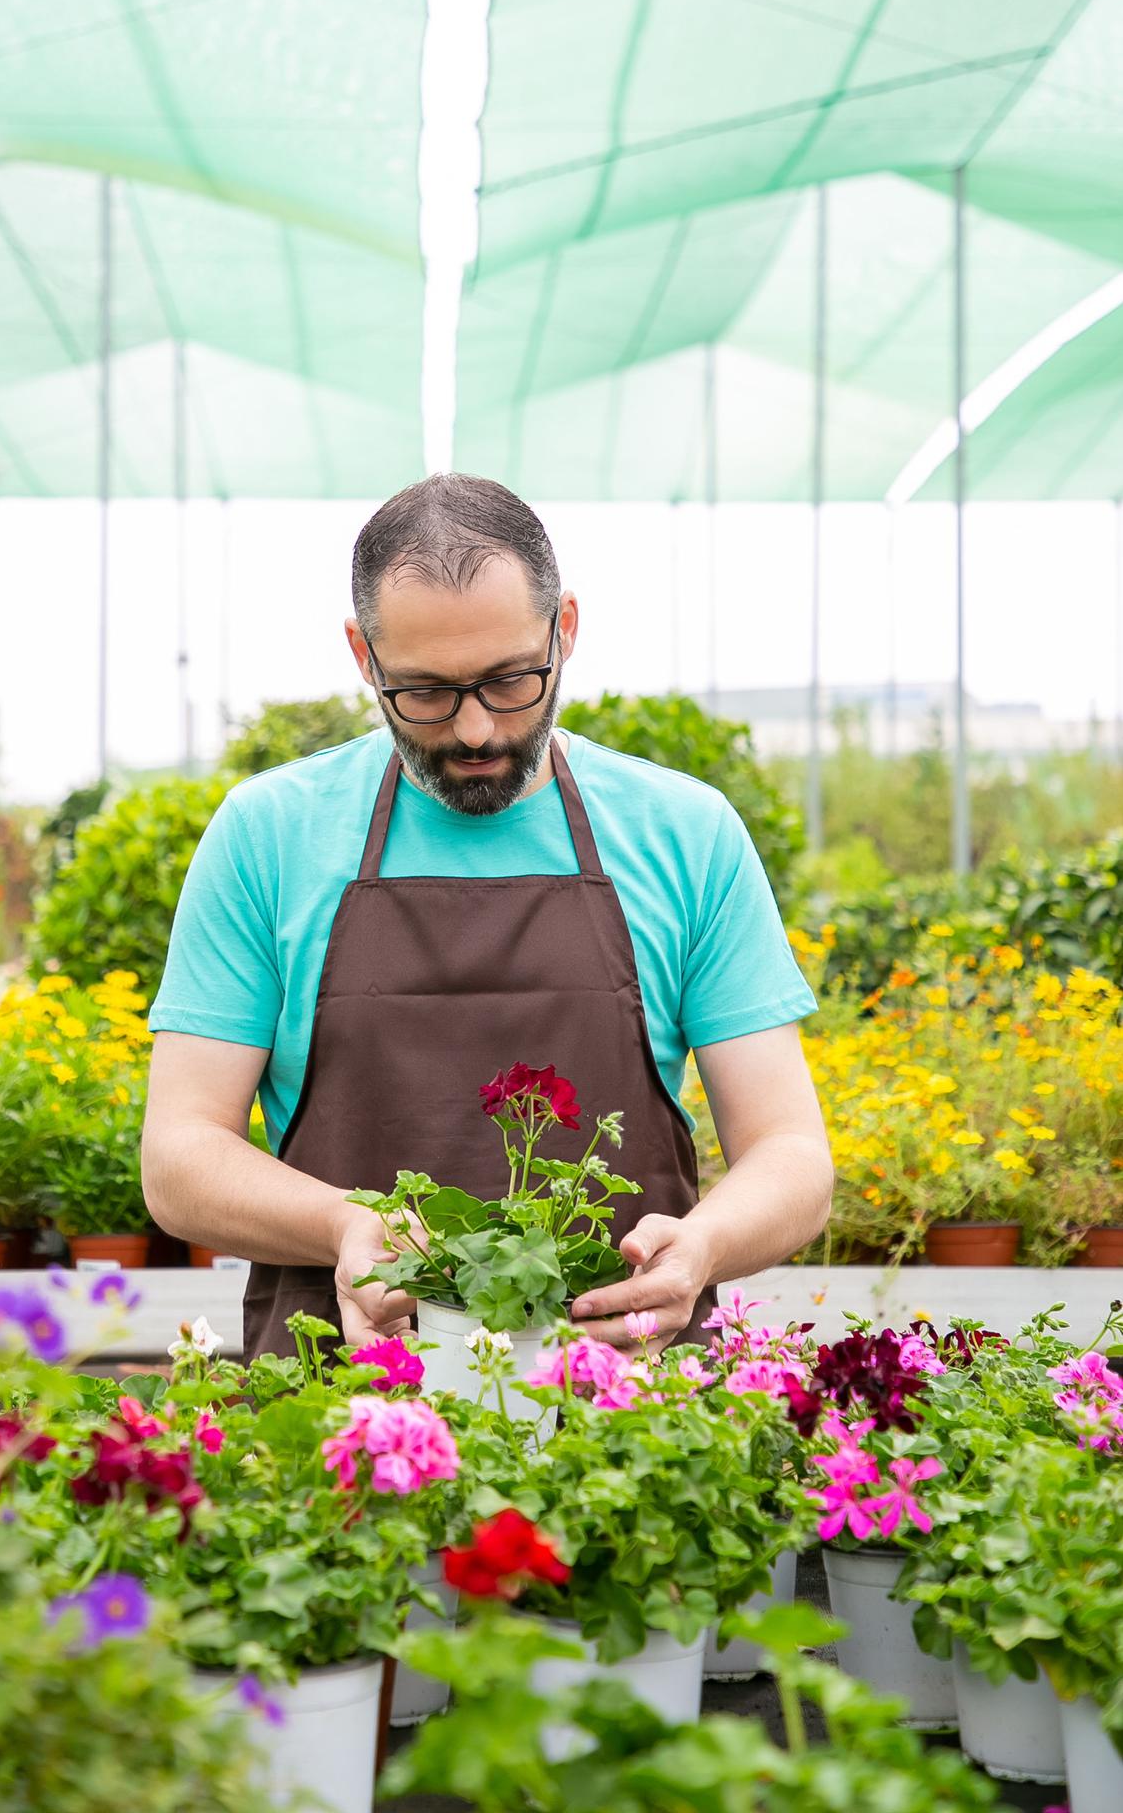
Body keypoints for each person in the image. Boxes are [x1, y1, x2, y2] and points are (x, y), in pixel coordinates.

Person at [141, 473, 832, 1357]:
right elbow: (179, 1157)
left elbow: (790, 1155)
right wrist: (344, 1225)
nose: (474, 731)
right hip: (338, 1396)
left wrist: (705, 1245)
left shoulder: (684, 833)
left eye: (510, 680)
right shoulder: (270, 835)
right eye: (424, 692)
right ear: (363, 656)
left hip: (628, 1394)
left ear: (564, 629)